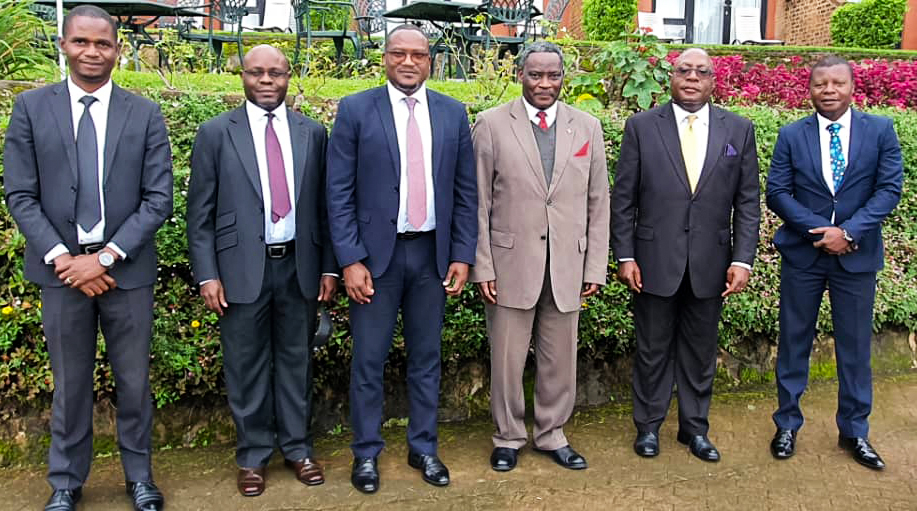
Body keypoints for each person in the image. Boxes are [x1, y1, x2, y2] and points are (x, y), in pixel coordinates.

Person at [3, 5, 172, 511]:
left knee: (134, 383)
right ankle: (65, 482)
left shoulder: (144, 113)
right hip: (61, 274)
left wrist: (106, 258)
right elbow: (20, 194)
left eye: (103, 43)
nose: (92, 51)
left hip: (127, 273)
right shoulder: (32, 108)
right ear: (63, 45)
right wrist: (65, 259)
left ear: (118, 50)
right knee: (70, 385)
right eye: (81, 41)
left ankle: (139, 477)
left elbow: (158, 198)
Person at [326, 24, 477, 493]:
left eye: (418, 55)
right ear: (385, 58)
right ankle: (366, 453)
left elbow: (465, 192)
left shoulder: (452, 113)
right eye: (399, 53)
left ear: (430, 61)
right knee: (368, 361)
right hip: (375, 260)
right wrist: (350, 259)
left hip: (431, 255)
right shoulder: (356, 109)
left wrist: (462, 253)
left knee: (427, 358)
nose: (408, 62)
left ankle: (424, 447)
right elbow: (338, 192)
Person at [187, 45, 338, 496]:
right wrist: (207, 274)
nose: (267, 81)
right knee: (245, 364)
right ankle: (253, 456)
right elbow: (200, 213)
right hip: (239, 270)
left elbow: (325, 208)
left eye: (276, 72)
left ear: (289, 76)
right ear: (242, 76)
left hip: (299, 265)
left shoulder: (313, 132)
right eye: (257, 72)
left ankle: (297, 448)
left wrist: (329, 267)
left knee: (297, 361)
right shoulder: (216, 132)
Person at [610, 48, 760, 462]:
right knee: (652, 349)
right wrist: (625, 255)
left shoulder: (739, 130)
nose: (692, 78)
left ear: (713, 81)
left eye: (702, 72)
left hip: (712, 264)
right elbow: (623, 199)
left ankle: (694, 429)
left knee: (700, 352)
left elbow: (748, 202)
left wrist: (742, 259)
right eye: (684, 70)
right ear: (671, 77)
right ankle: (648, 427)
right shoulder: (642, 127)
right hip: (653, 261)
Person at [470, 41, 610, 472]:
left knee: (560, 358)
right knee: (507, 360)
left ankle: (552, 434)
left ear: (564, 77)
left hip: (568, 264)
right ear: (521, 75)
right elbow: (477, 202)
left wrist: (594, 265)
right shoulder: (491, 124)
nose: (544, 84)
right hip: (510, 264)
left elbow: (598, 201)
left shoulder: (587, 127)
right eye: (535, 75)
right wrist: (482, 265)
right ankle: (508, 436)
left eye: (553, 75)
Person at [766, 55, 902, 470]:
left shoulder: (880, 130)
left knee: (855, 348)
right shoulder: (792, 135)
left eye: (837, 83)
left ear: (852, 87)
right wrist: (820, 232)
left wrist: (849, 232)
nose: (828, 90)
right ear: (809, 89)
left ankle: (854, 431)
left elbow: (889, 189)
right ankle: (787, 424)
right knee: (794, 342)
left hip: (857, 258)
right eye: (820, 83)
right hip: (803, 257)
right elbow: (777, 192)